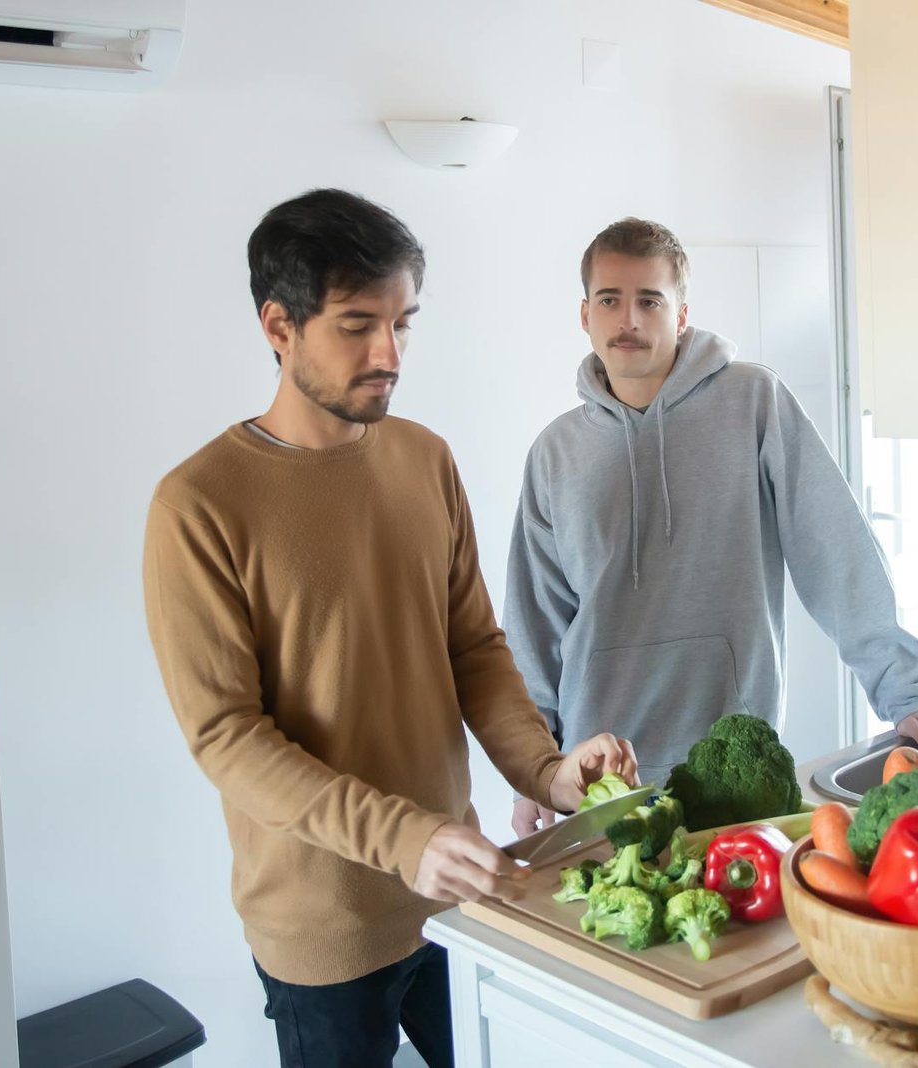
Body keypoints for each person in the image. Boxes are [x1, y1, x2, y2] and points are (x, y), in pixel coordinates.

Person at [142, 189, 635, 1068]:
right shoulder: (198, 505)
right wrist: (401, 836)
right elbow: (227, 737)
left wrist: (548, 769)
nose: (389, 353)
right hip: (321, 926)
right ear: (278, 326)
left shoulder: (423, 458)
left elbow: (475, 650)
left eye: (404, 323)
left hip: (456, 890)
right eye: (357, 324)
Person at [504, 216, 918, 837]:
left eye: (650, 300)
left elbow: (836, 551)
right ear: (585, 315)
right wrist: (534, 769)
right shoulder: (555, 452)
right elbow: (534, 620)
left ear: (682, 313)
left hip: (734, 754)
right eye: (610, 300)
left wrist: (908, 694)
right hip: (598, 775)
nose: (629, 320)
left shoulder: (755, 402)